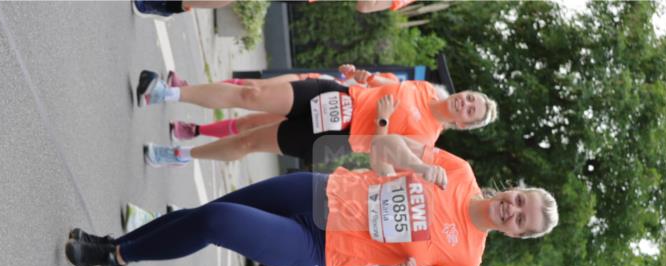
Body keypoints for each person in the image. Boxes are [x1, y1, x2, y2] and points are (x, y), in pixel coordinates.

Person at [64, 135, 559, 266]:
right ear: (514, 190)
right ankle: (115, 245)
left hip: (322, 249)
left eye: (521, 220)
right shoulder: (459, 172)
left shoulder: (468, 258)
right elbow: (385, 148)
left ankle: (115, 254)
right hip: (324, 192)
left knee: (217, 220)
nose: (512, 210)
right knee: (208, 213)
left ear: (517, 235)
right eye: (520, 200)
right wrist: (417, 163)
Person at [136, 62, 496, 166]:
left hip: (335, 136)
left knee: (248, 142)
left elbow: (383, 158)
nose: (465, 103)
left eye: (470, 111)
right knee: (252, 94)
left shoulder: (428, 139)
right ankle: (166, 92)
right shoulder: (423, 89)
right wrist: (360, 76)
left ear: (463, 125)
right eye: (470, 98)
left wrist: (384, 122)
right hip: (335, 97)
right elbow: (379, 83)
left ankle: (180, 154)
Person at [168, 65, 399, 142]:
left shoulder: (407, 127)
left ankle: (196, 131)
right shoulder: (395, 84)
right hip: (318, 85)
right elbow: (358, 78)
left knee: (251, 123)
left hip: (327, 118)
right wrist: (351, 71)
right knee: (250, 89)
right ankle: (185, 90)